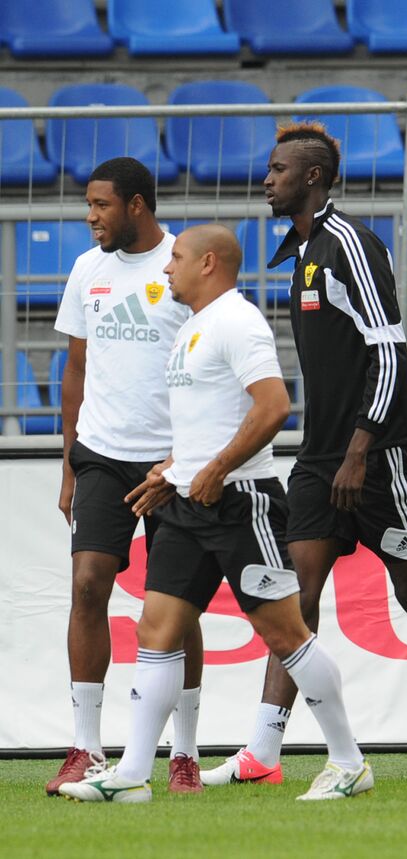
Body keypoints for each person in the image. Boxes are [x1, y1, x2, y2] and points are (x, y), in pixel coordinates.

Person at [201, 122, 407, 787]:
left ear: (313, 177)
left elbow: (390, 352)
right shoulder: (303, 252)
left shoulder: (350, 245)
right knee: (293, 593)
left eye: (279, 169)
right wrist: (332, 452)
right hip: (318, 457)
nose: (268, 178)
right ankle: (263, 750)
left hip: (379, 454)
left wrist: (362, 449)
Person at [60, 225, 371, 803]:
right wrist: (174, 472)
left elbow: (274, 405)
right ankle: (131, 775)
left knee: (286, 635)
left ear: (208, 263)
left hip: (240, 504)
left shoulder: (237, 321)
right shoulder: (192, 328)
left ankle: (349, 761)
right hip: (187, 503)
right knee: (156, 631)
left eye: (175, 259)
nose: (165, 268)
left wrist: (217, 467)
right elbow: (207, 423)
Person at [49, 157, 204, 796]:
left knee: (177, 608)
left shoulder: (185, 264)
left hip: (172, 462)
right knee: (89, 585)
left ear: (136, 205)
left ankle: (184, 753)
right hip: (101, 456)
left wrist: (190, 459)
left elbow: (213, 367)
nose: (91, 217)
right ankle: (86, 747)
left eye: (101, 206)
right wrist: (68, 463)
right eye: (89, 205)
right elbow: (76, 369)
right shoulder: (88, 269)